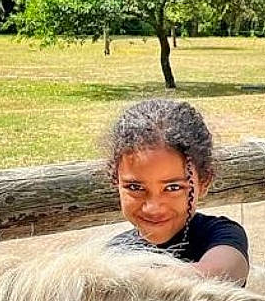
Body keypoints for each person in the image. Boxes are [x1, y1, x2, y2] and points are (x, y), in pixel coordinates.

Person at [105, 98, 249, 285]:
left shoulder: (220, 234)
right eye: (135, 187)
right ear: (116, 181)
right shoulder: (113, 253)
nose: (153, 207)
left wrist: (116, 279)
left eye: (173, 187)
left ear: (204, 182)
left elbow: (223, 273)